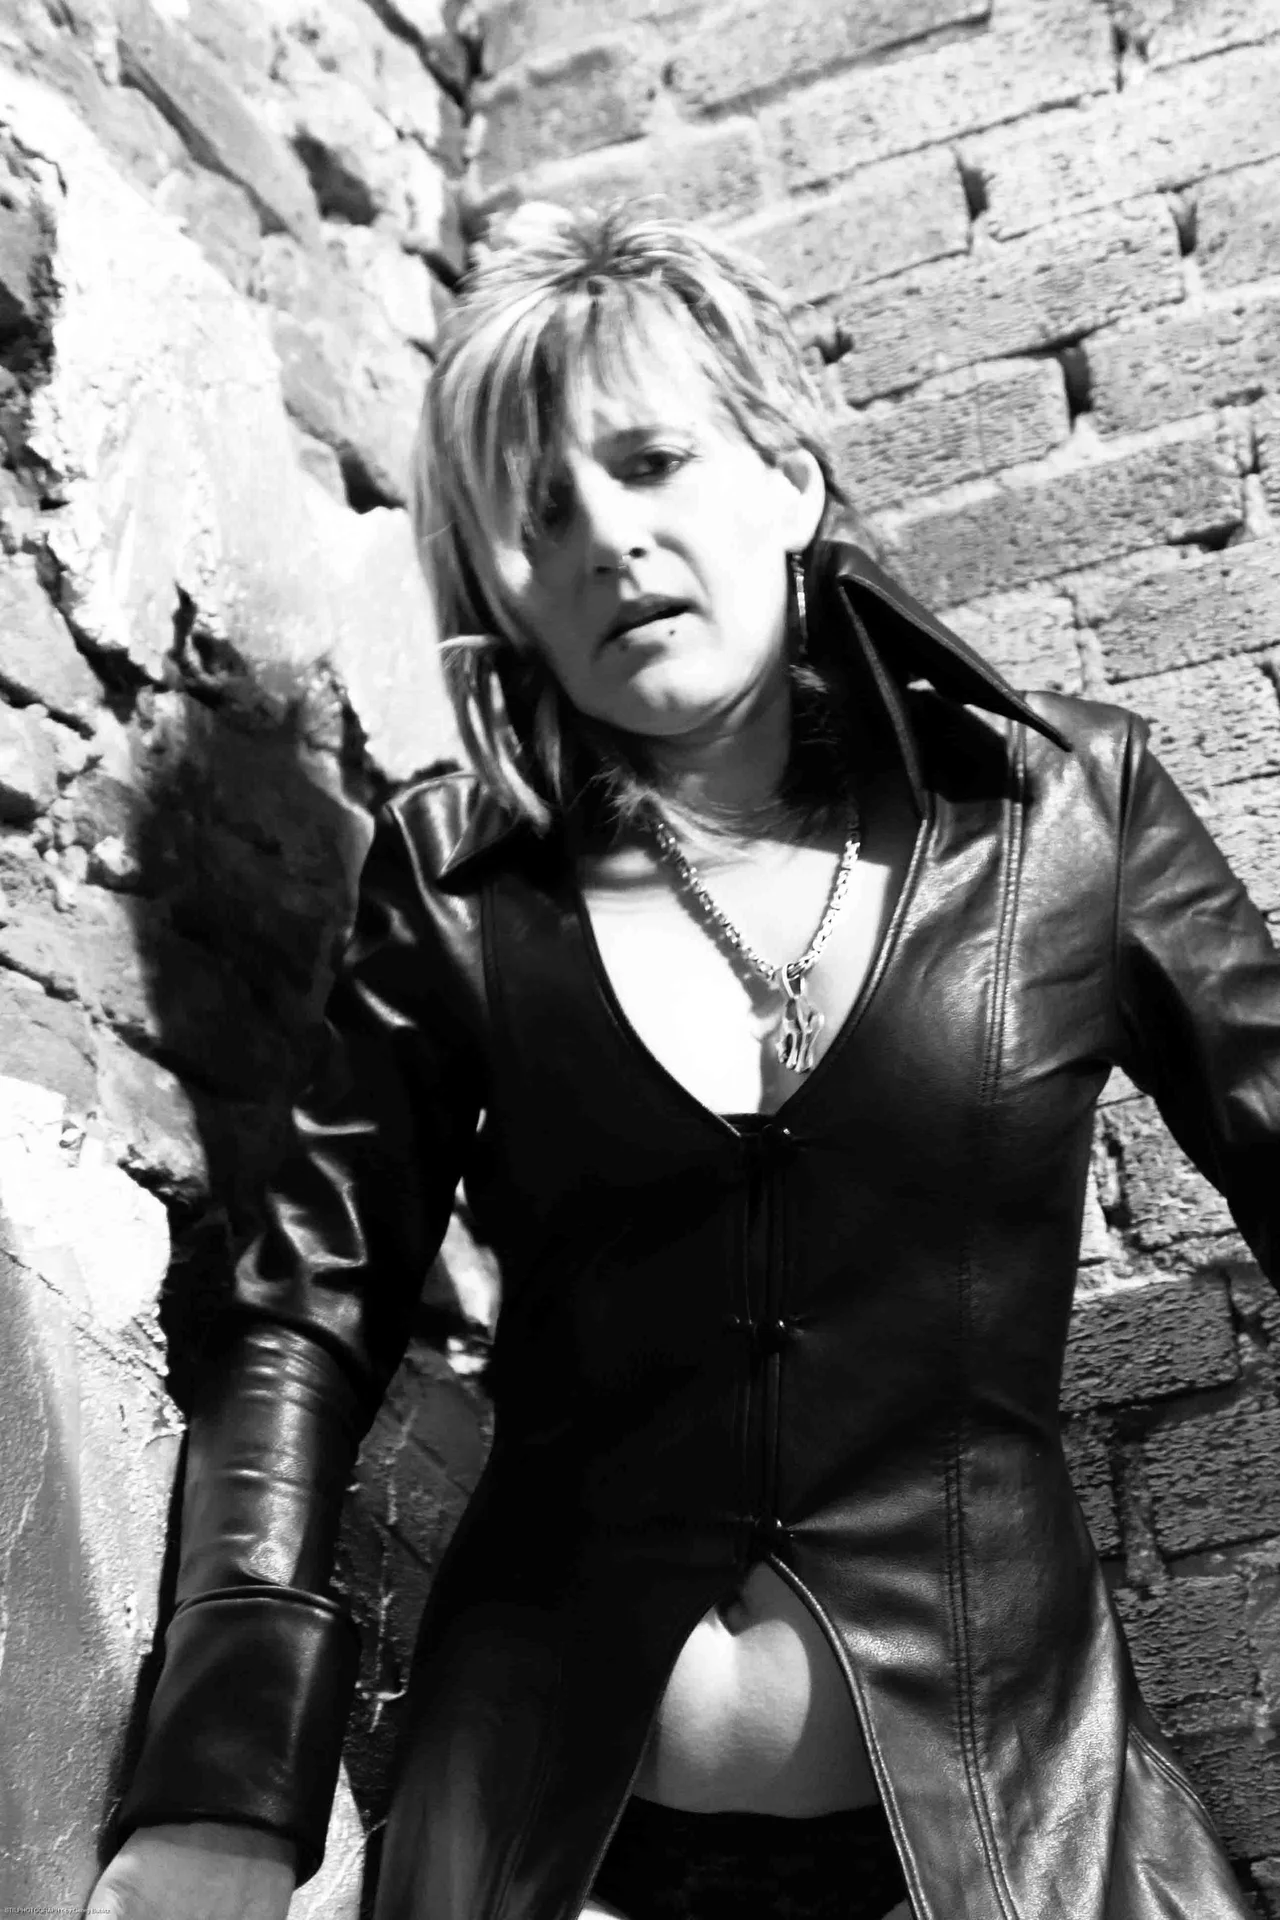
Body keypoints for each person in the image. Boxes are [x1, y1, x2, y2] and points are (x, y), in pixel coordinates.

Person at [92, 203, 1279, 1920]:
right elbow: (308, 1313)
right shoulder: (458, 884)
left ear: (786, 481)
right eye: (539, 516)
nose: (606, 539)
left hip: (1014, 1854)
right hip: (548, 1859)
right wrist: (220, 1791)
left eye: (650, 463)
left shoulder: (1066, 813)